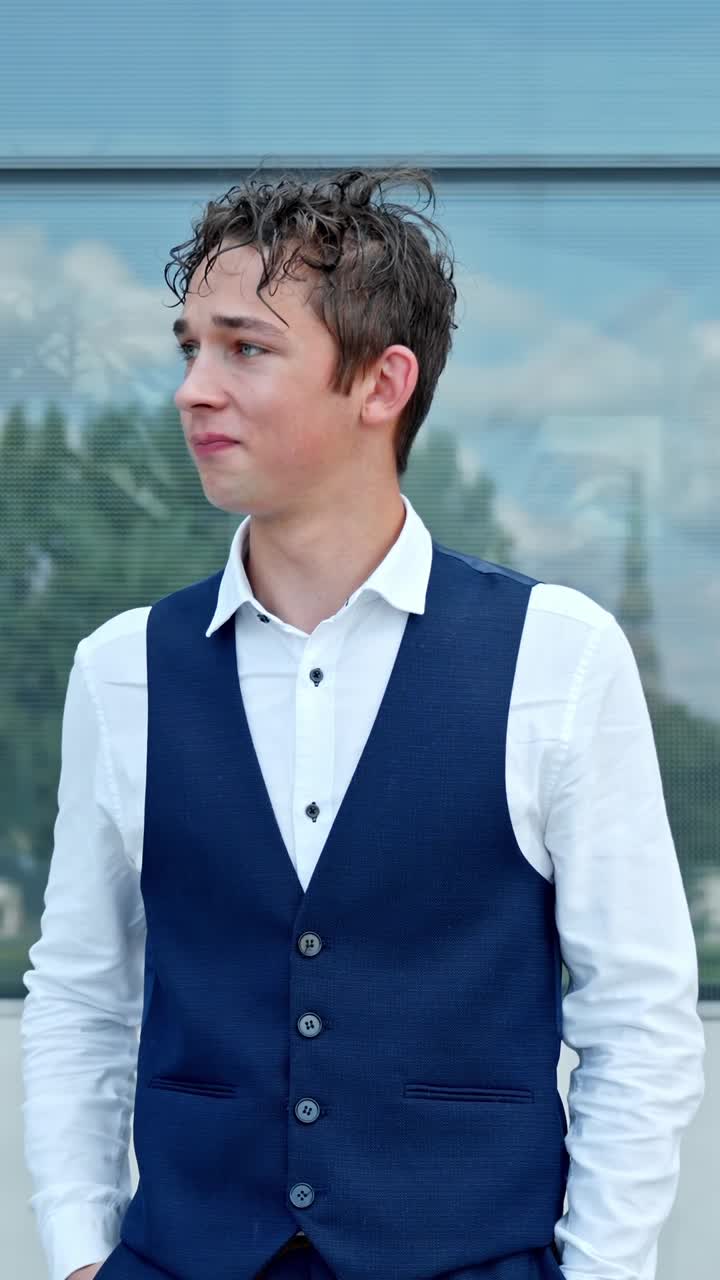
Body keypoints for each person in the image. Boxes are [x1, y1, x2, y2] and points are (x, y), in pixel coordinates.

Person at [21, 167, 705, 1280]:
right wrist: (80, 1248)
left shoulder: (558, 655)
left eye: (244, 348)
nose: (194, 387)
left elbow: (639, 1013)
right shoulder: (121, 669)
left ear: (384, 382)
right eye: (189, 345)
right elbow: (83, 991)